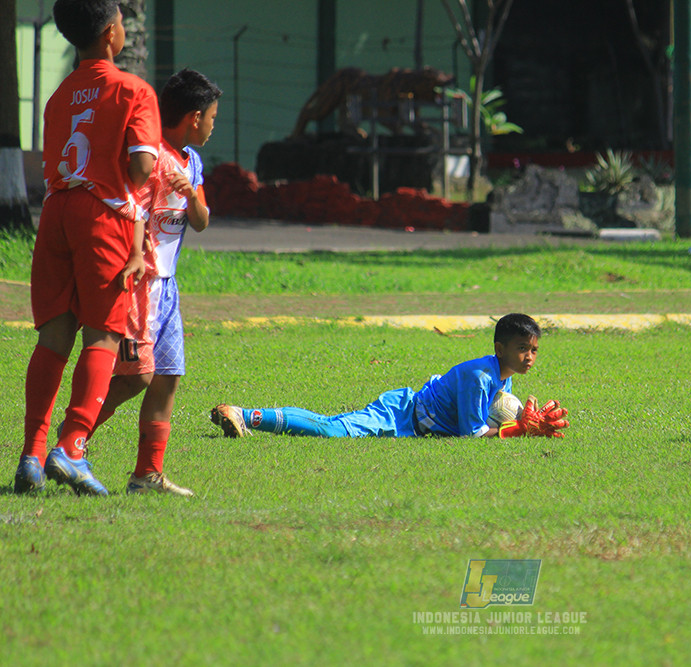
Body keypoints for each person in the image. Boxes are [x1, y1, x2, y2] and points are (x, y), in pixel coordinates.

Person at [13, 0, 160, 496]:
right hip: (103, 217)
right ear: (112, 34)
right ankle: (73, 447)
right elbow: (141, 169)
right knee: (103, 336)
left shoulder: (59, 95)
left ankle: (32, 454)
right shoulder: (133, 89)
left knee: (53, 337)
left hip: (55, 213)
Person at [79, 68, 221, 496]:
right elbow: (135, 208)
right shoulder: (150, 155)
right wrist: (138, 253)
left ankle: (147, 475)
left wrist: (192, 193)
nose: (214, 125)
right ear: (194, 117)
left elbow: (200, 223)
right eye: (213, 117)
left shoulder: (191, 162)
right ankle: (70, 443)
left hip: (169, 290)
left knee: (167, 378)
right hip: (141, 284)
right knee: (134, 377)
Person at [209, 313, 568, 439]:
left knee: (332, 428)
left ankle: (248, 416)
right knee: (332, 429)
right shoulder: (481, 376)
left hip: (412, 417)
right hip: (400, 413)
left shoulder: (501, 376)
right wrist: (519, 430)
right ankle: (247, 415)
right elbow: (470, 434)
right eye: (522, 348)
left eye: (534, 349)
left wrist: (522, 421)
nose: (529, 356)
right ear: (500, 348)